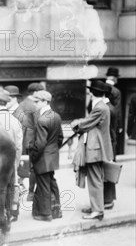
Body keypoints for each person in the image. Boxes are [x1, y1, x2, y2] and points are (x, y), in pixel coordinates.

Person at [70, 80, 114, 221]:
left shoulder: (100, 108)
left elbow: (86, 124)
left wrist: (75, 124)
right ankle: (96, 207)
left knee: (95, 180)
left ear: (92, 92)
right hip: (98, 149)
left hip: (96, 150)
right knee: (96, 180)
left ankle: (97, 211)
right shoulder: (101, 106)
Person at [0, 88, 23, 222]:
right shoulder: (15, 121)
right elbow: (19, 147)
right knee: (10, 188)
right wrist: (16, 163)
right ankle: (9, 215)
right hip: (11, 162)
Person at [30, 91, 63, 221]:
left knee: (43, 185)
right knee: (52, 183)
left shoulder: (42, 119)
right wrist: (53, 150)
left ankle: (45, 213)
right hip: (52, 157)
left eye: (37, 101)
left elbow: (40, 143)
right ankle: (56, 210)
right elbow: (60, 137)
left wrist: (33, 156)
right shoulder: (56, 116)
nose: (35, 103)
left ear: (45, 102)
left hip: (43, 158)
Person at [14, 82, 45, 201]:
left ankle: (22, 188)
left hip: (21, 140)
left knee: (23, 166)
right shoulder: (34, 106)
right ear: (36, 93)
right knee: (33, 168)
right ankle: (30, 193)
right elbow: (39, 125)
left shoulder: (22, 104)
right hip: (30, 142)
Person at [105, 67, 123, 153]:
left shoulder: (99, 88)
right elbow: (117, 110)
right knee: (112, 144)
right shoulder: (116, 91)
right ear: (114, 78)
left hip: (99, 122)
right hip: (112, 123)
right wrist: (119, 125)